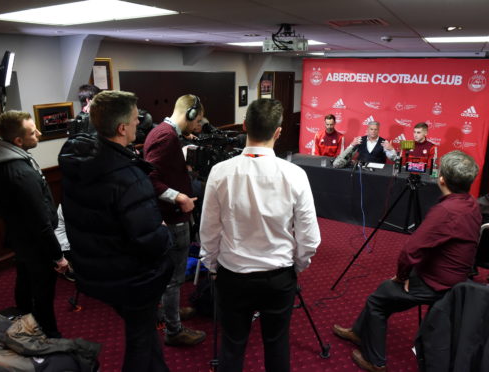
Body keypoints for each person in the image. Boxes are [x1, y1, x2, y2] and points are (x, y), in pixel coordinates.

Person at [200, 98, 321, 372]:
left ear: (244, 126)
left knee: (232, 345)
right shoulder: (296, 175)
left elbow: (208, 230)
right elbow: (309, 238)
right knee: (277, 344)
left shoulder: (220, 172)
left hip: (232, 275)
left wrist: (212, 265)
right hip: (278, 277)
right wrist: (296, 266)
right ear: (278, 132)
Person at [333, 150, 481, 372]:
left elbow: (409, 251)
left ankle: (376, 362)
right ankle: (358, 331)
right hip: (455, 278)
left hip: (438, 282)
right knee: (384, 293)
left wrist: (402, 276)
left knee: (378, 299)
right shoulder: (471, 203)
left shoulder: (446, 210)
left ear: (441, 179)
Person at [58, 90, 173, 372]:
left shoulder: (78, 161)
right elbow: (150, 240)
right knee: (140, 339)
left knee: (144, 332)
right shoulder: (127, 177)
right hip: (131, 277)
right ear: (122, 128)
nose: (139, 124)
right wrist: (163, 232)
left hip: (97, 270)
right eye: (135, 120)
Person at [0, 110, 68, 338]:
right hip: (35, 243)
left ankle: (27, 322)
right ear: (18, 141)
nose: (39, 133)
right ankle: (49, 334)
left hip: (20, 237)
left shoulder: (0, 162)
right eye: (33, 132)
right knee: (42, 291)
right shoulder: (20, 172)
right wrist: (57, 255)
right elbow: (40, 220)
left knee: (25, 283)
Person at [143, 94, 206, 346]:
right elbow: (149, 177)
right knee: (174, 279)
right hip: (172, 218)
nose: (198, 125)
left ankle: (171, 312)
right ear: (189, 114)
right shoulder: (165, 137)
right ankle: (174, 330)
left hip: (171, 216)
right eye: (198, 120)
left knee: (171, 277)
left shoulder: (166, 133)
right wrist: (179, 196)